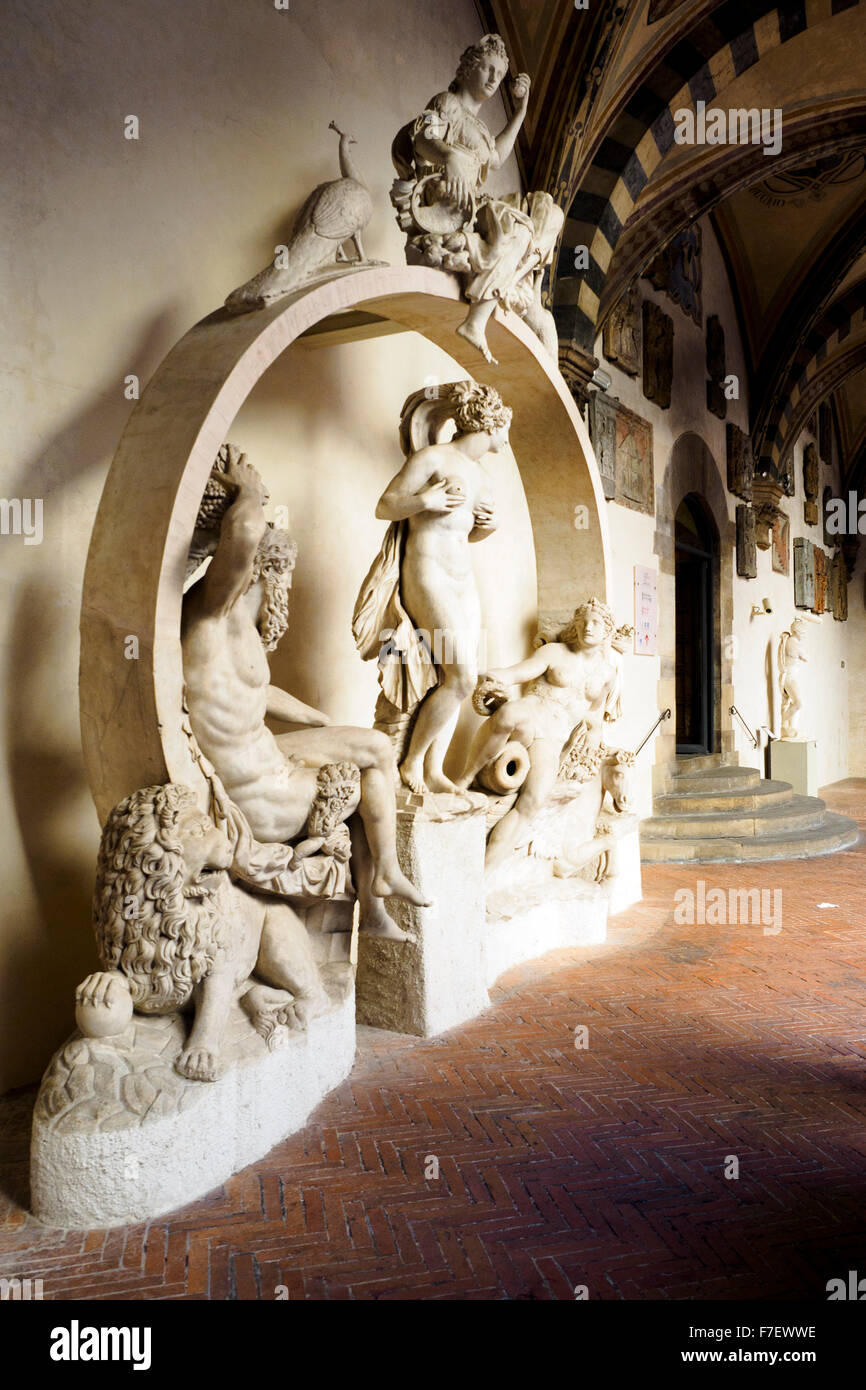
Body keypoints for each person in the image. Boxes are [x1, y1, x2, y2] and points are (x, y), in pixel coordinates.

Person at [182, 447, 429, 915]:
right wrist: (248, 489)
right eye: (283, 576)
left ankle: (378, 905)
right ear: (260, 570)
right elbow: (246, 531)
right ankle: (387, 874)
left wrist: (318, 720)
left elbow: (249, 692)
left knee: (362, 752)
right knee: (374, 756)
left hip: (266, 760)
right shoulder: (211, 616)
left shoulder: (230, 632)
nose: (285, 589)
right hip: (262, 797)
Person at [353, 381, 511, 795]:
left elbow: (464, 535)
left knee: (458, 676)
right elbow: (385, 505)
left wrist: (487, 529)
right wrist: (426, 500)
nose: (507, 435)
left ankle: (434, 769)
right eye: (505, 425)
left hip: (463, 582)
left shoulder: (483, 477)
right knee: (461, 676)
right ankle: (411, 762)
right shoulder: (433, 458)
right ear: (489, 422)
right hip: (427, 577)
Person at [391, 32, 564, 364]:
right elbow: (422, 137)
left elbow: (496, 157)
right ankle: (478, 318)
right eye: (488, 69)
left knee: (548, 211)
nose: (495, 79)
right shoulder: (446, 103)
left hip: (478, 203)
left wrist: (521, 111)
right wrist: (450, 157)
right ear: (466, 69)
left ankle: (507, 277)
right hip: (449, 198)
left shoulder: (481, 129)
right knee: (518, 227)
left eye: (500, 74)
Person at [458, 598, 620, 870]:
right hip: (532, 715)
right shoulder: (555, 652)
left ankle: (482, 877)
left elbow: (594, 711)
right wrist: (495, 679)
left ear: (607, 631)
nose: (588, 628)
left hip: (552, 739)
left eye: (596, 623)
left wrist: (593, 731)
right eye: (583, 622)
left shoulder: (607, 674)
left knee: (533, 801)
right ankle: (463, 779)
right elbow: (517, 673)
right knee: (509, 713)